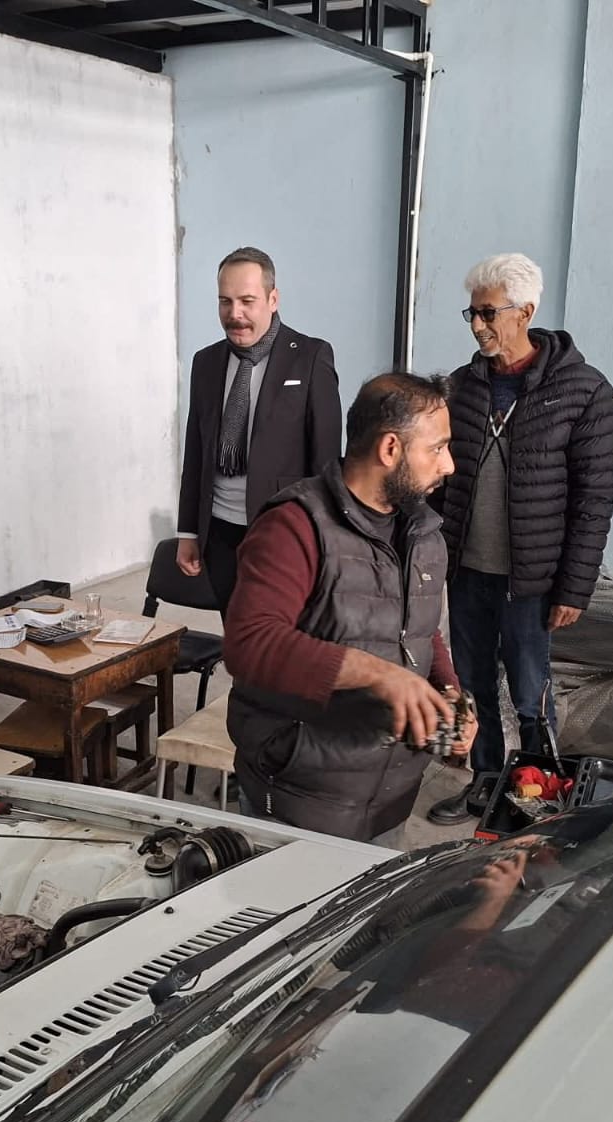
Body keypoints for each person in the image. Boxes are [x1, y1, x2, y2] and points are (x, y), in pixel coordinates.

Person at [223, 372, 476, 846]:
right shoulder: (295, 527)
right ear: (390, 449)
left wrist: (449, 696)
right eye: (437, 448)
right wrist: (380, 674)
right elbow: (249, 642)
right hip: (302, 799)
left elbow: (422, 630)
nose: (449, 465)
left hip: (391, 800)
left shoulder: (424, 533)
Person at [425, 254, 613, 826]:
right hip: (468, 574)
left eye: (488, 313)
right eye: (472, 313)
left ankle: (538, 795)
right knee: (474, 686)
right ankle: (485, 783)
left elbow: (594, 499)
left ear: (525, 312)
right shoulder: (462, 387)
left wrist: (574, 588)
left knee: (531, 695)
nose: (477, 325)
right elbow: (438, 481)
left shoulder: (582, 390)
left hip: (532, 581)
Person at [176, 247, 342, 617]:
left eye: (247, 301)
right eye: (225, 301)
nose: (234, 314)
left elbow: (326, 462)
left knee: (278, 638)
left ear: (273, 299)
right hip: (219, 534)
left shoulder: (311, 357)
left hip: (284, 533)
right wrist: (188, 532)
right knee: (237, 634)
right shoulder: (206, 362)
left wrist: (324, 541)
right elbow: (196, 452)